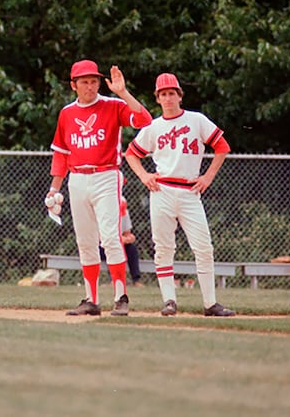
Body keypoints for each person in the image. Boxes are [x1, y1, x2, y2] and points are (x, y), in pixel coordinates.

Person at [47, 59, 152, 316]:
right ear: (74, 85)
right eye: (84, 81)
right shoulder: (67, 113)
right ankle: (91, 300)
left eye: (94, 81)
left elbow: (144, 120)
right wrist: (54, 188)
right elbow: (61, 154)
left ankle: (120, 297)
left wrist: (123, 93)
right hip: (78, 178)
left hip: (106, 175)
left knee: (110, 237)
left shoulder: (113, 105)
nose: (90, 86)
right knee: (85, 241)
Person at [125, 73, 235, 317]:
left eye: (171, 93)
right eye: (163, 94)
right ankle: (169, 301)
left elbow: (222, 146)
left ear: (179, 96)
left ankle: (210, 304)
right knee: (164, 248)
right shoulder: (153, 126)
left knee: (203, 247)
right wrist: (144, 176)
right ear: (158, 98)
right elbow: (131, 153)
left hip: (189, 191)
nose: (167, 98)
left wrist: (207, 177)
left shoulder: (196, 120)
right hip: (161, 190)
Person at [98, 197, 143, 287]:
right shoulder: (102, 212)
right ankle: (113, 280)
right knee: (111, 247)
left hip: (120, 243)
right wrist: (119, 239)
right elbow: (101, 237)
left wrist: (128, 238)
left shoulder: (124, 213)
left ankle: (136, 280)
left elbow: (127, 233)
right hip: (103, 244)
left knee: (131, 249)